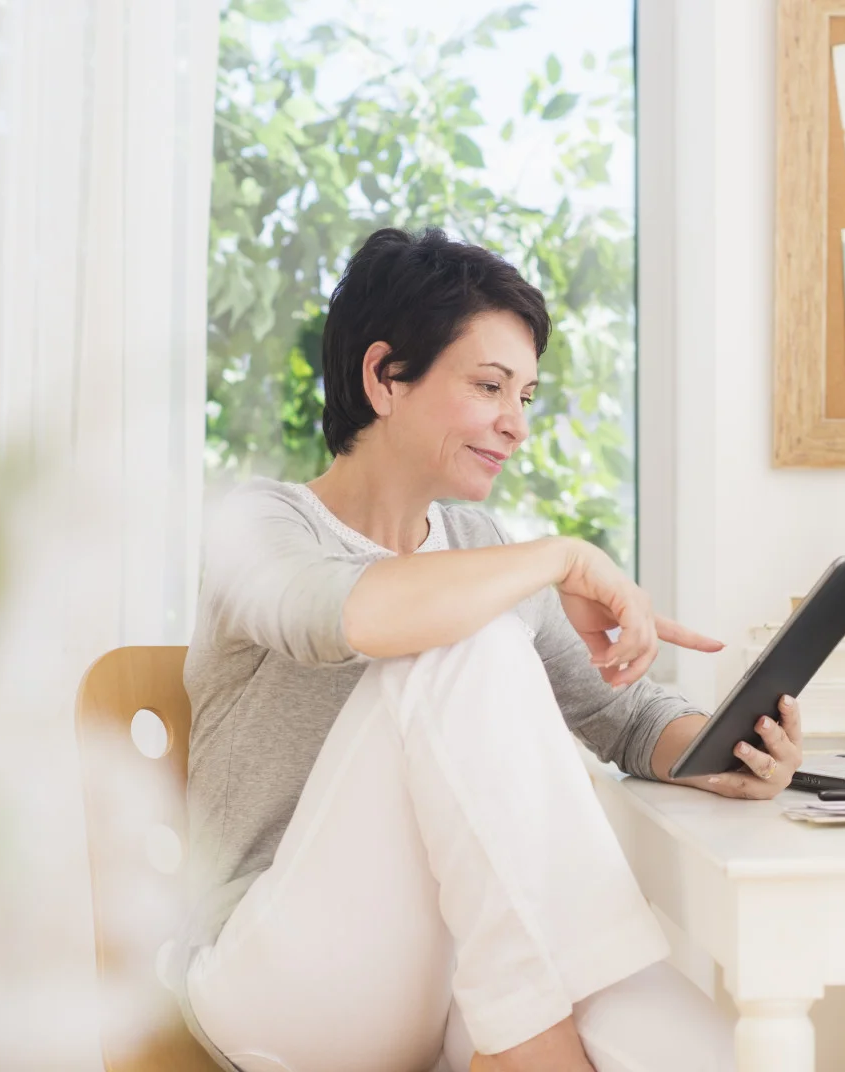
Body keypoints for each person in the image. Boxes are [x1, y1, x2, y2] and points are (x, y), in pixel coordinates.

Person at [173, 227, 805, 1072]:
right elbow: (358, 614)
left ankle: (524, 1039)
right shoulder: (259, 527)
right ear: (384, 377)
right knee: (468, 645)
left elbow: (622, 717)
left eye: (526, 395)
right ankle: (529, 1048)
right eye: (490, 386)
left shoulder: (476, 546)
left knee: (704, 1054)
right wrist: (560, 557)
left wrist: (725, 748)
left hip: (453, 978)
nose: (516, 424)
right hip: (276, 984)